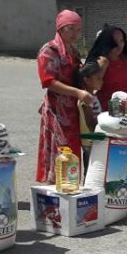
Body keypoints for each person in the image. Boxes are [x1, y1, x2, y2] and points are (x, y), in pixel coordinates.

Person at [37, 10, 93, 183]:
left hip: (73, 109)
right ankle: (55, 186)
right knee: (60, 148)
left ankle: (70, 185)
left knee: (72, 148)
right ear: (60, 28)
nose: (76, 34)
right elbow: (48, 81)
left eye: (78, 30)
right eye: (71, 29)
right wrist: (77, 92)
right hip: (57, 109)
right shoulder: (50, 50)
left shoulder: (73, 51)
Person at [85, 25, 127, 110]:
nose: (119, 45)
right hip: (105, 108)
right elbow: (91, 86)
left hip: (125, 107)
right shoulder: (102, 61)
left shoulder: (126, 59)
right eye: (114, 42)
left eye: (121, 40)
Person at [75, 61, 104, 145]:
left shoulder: (92, 96)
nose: (102, 81)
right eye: (98, 78)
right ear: (87, 80)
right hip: (92, 141)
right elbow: (89, 123)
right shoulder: (88, 99)